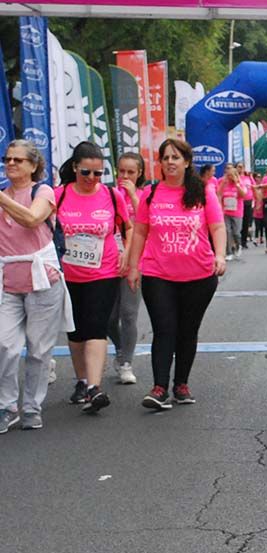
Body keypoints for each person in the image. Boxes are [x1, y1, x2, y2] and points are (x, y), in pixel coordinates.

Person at [127, 138, 227, 410]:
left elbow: (217, 227)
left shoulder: (202, 191)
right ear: (159, 163)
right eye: (165, 157)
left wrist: (219, 255)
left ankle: (181, 385)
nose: (170, 162)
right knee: (164, 329)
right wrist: (134, 266)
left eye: (175, 157)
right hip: (159, 274)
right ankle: (159, 388)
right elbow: (139, 231)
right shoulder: (151, 193)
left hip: (199, 275)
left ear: (186, 162)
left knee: (187, 331)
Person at [54, 141, 132, 413]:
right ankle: (81, 380)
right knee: (76, 332)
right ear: (75, 168)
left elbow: (129, 227)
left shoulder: (112, 195)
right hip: (69, 273)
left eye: (98, 174)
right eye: (86, 172)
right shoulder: (59, 195)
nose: (91, 179)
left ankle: (94, 388)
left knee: (97, 327)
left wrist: (127, 254)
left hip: (105, 270)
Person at [0, 139, 66, 431]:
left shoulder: (43, 191)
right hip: (8, 281)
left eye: (18, 160)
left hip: (43, 280)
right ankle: (6, 405)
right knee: (5, 344)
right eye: (8, 159)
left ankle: (31, 406)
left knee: (38, 349)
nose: (11, 163)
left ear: (33, 166)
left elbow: (31, 218)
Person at [108, 151, 146, 385]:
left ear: (139, 173)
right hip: (109, 261)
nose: (125, 176)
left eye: (130, 172)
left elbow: (147, 220)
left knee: (129, 314)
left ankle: (126, 363)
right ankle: (121, 348)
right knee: (109, 319)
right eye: (121, 171)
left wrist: (132, 195)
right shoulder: (109, 194)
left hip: (136, 263)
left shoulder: (144, 195)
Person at [217, 163, 247, 261]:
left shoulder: (240, 183)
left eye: (231, 175)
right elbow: (218, 194)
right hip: (226, 212)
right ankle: (229, 252)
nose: (229, 177)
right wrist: (223, 183)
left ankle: (238, 246)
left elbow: (244, 195)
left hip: (237, 212)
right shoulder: (223, 182)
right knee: (227, 231)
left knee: (236, 233)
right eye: (228, 175)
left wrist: (237, 185)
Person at [237, 162, 255, 250]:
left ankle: (243, 241)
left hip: (248, 201)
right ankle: (237, 241)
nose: (240, 169)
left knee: (246, 222)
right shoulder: (236, 177)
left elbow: (254, 186)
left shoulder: (248, 177)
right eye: (239, 167)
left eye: (242, 167)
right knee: (238, 222)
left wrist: (251, 176)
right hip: (238, 201)